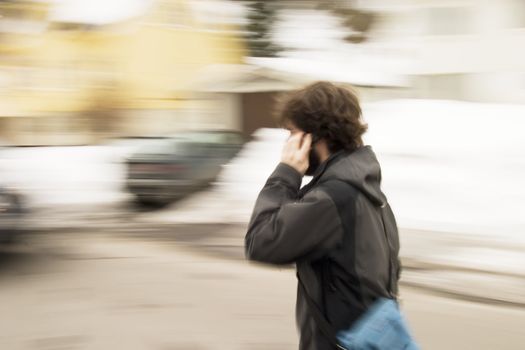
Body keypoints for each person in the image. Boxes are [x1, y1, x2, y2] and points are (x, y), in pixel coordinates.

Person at [245, 81, 401, 350]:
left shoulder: (333, 197)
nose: (288, 142)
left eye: (292, 133)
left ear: (312, 136)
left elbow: (260, 241)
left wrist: (286, 173)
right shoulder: (367, 188)